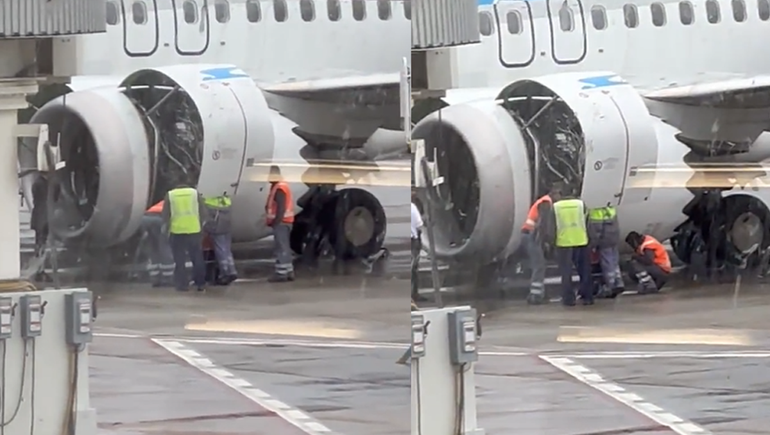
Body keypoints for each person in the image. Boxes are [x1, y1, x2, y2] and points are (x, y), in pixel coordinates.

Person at [161, 180, 208, 292]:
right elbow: (203, 213)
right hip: (194, 230)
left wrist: (165, 230)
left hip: (177, 231)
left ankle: (182, 285)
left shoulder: (170, 195)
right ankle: (200, 284)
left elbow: (165, 215)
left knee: (179, 259)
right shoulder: (194, 193)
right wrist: (201, 226)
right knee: (197, 258)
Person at [522, 184, 562, 305]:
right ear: (554, 193)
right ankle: (535, 295)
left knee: (539, 265)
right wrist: (548, 241)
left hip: (531, 235)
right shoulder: (546, 203)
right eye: (559, 195)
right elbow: (543, 225)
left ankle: (538, 293)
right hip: (533, 236)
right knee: (539, 266)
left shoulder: (544, 201)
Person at [552, 192, 593, 306]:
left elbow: (551, 227)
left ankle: (569, 299)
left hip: (564, 242)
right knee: (584, 271)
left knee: (566, 272)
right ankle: (588, 297)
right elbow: (588, 222)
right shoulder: (580, 204)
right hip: (581, 240)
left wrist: (550, 243)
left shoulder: (556, 207)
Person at [587, 204, 625, 298]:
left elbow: (597, 230)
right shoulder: (611, 208)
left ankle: (611, 285)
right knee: (614, 261)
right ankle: (618, 282)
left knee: (607, 263)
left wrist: (593, 244)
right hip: (614, 238)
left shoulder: (595, 211)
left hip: (605, 240)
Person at [266, 166, 296, 282]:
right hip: (286, 222)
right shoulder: (280, 186)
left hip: (281, 222)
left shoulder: (279, 188)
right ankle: (289, 271)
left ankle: (281, 273)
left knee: (281, 247)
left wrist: (275, 222)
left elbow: (281, 207)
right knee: (285, 247)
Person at [203, 194, 238, 285]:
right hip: (227, 227)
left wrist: (206, 228)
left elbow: (207, 217)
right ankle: (232, 270)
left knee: (220, 251)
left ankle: (225, 273)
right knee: (227, 250)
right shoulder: (225, 199)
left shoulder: (209, 201)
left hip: (217, 228)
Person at [142, 200, 175, 287]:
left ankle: (155, 278)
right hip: (159, 219)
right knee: (164, 247)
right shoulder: (179, 203)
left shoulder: (166, 200)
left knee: (153, 248)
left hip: (145, 218)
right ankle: (167, 278)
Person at [411, 190, 426, 302]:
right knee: (413, 269)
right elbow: (420, 225)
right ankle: (413, 295)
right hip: (413, 240)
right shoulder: (412, 207)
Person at [30, 174, 49, 255]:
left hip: (39, 212)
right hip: (45, 212)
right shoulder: (46, 184)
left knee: (39, 234)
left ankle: (39, 249)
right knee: (43, 233)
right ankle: (41, 249)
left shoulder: (37, 183)